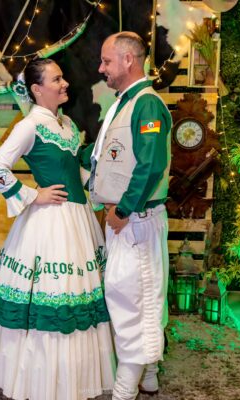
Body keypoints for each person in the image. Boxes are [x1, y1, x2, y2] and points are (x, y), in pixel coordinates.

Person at [0, 58, 115, 400]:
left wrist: (102, 186)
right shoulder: (30, 125)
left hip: (78, 219)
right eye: (56, 79)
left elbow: (73, 171)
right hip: (50, 223)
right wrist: (33, 195)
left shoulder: (66, 124)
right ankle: (39, 377)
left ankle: (72, 374)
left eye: (63, 77)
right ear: (37, 89)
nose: (65, 83)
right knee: (53, 292)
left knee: (76, 293)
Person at [89, 32, 172, 400]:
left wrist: (123, 209)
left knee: (132, 301)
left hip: (135, 220)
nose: (101, 68)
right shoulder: (125, 104)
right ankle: (149, 375)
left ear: (128, 60)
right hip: (127, 221)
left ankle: (124, 392)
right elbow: (110, 157)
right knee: (141, 297)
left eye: (106, 61)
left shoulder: (147, 105)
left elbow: (151, 164)